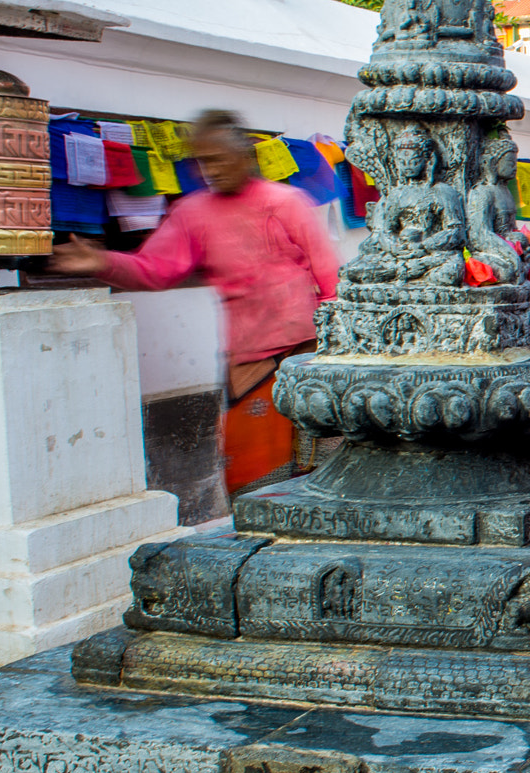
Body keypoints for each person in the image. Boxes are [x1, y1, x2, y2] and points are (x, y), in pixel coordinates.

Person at [48, 109, 338, 494]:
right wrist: (103, 262)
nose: (211, 171)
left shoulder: (285, 201)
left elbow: (329, 276)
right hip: (249, 362)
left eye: (219, 159)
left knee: (327, 469)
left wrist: (336, 347)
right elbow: (155, 269)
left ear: (244, 155)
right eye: (203, 162)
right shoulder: (193, 212)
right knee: (255, 480)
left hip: (309, 352)